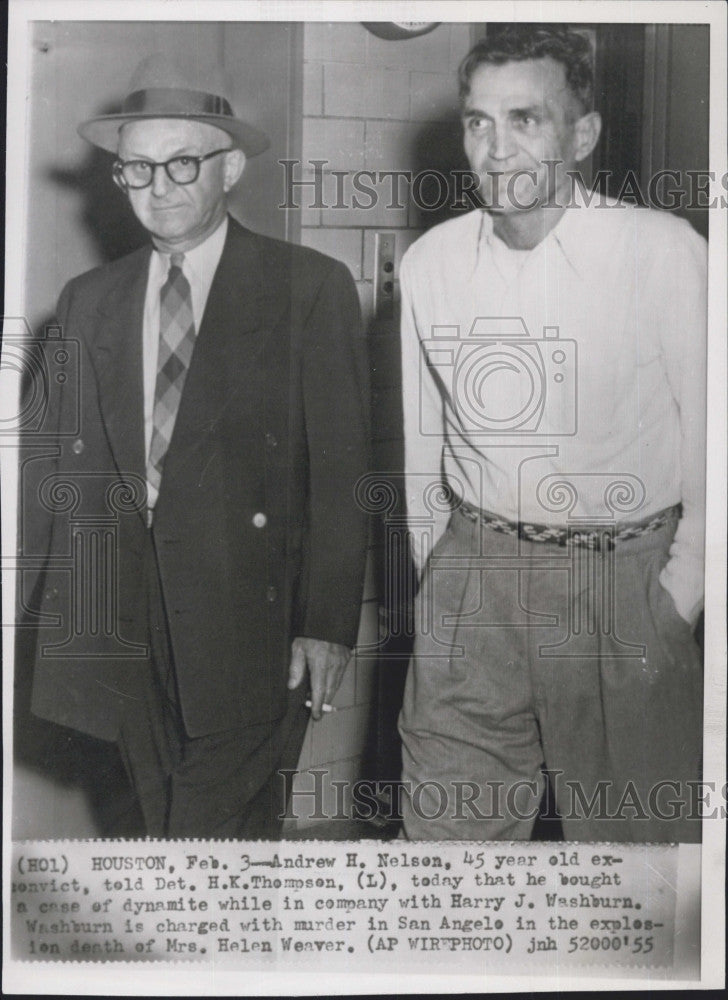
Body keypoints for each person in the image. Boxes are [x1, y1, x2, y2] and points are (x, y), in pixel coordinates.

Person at [22, 53, 369, 838]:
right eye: (135, 169)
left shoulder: (307, 288)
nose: (159, 187)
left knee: (213, 842)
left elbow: (344, 475)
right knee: (153, 829)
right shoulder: (90, 302)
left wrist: (328, 623)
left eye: (182, 162)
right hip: (123, 628)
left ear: (231, 166)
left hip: (254, 627)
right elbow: (46, 472)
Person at [398, 24, 705, 842]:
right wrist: (443, 569)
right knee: (444, 863)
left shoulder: (662, 252)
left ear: (583, 135)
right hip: (474, 584)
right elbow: (423, 441)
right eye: (477, 121)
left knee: (637, 883)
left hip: (622, 590)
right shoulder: (429, 263)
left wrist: (677, 598)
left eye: (525, 120)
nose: (496, 151)